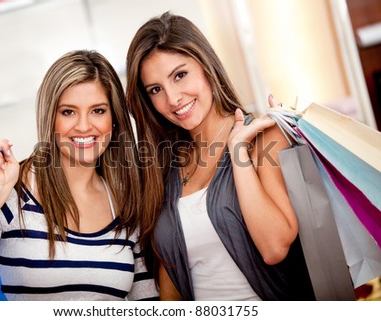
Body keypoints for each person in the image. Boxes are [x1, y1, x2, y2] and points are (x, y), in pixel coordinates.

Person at [0, 50, 159, 301]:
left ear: (114, 120)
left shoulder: (126, 203)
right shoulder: (12, 190)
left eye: (98, 110)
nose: (84, 126)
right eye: (68, 112)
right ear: (49, 118)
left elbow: (145, 304)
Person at [125, 12, 315, 300]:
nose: (173, 99)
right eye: (156, 90)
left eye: (180, 75)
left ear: (205, 66)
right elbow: (171, 279)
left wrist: (237, 150)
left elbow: (274, 247)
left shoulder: (264, 136)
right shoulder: (163, 169)